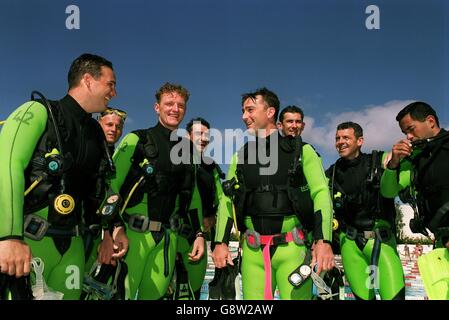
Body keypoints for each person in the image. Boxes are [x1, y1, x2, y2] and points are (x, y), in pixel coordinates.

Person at [0, 53, 128, 300]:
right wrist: (8, 236)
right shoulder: (38, 111)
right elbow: (7, 164)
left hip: (74, 246)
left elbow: (100, 190)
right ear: (88, 80)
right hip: (28, 240)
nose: (114, 92)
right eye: (110, 84)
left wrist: (111, 231)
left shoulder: (96, 135)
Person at [212, 87, 334, 300]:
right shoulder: (240, 156)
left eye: (250, 110)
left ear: (270, 112)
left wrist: (324, 240)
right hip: (252, 253)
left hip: (292, 249)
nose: (244, 116)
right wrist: (220, 242)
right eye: (243, 111)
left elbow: (321, 194)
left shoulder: (302, 151)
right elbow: (226, 199)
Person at [109, 82, 202, 299]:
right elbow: (110, 184)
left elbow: (193, 195)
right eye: (169, 103)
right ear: (157, 107)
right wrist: (114, 228)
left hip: (167, 240)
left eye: (180, 105)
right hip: (132, 237)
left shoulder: (188, 150)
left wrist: (198, 234)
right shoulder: (136, 140)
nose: (175, 109)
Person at [326, 122, 405, 300]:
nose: (340, 142)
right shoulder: (331, 173)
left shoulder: (379, 161)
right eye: (337, 138)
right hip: (350, 244)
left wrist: (395, 161)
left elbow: (394, 186)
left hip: (380, 240)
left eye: (346, 137)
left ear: (360, 141)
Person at [381, 101, 449, 299]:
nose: (408, 137)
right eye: (405, 133)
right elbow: (388, 191)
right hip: (439, 240)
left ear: (430, 121)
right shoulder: (414, 158)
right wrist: (394, 163)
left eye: (411, 129)